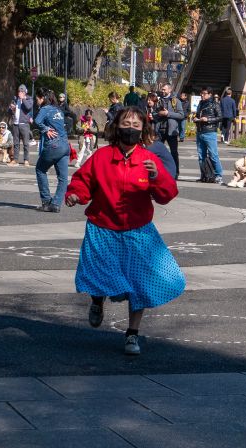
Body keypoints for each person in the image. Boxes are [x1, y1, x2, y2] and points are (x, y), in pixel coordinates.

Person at [65, 106, 185, 356]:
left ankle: (132, 334)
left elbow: (167, 195)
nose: (130, 128)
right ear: (116, 127)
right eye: (125, 123)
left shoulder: (148, 161)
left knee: (138, 285)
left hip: (137, 231)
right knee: (99, 275)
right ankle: (97, 300)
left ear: (143, 131)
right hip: (102, 228)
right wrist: (75, 195)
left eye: (136, 125)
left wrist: (157, 178)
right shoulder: (101, 157)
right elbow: (83, 182)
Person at [33, 88, 70, 213]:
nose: (36, 101)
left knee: (40, 169)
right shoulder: (58, 109)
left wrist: (45, 129)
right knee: (63, 178)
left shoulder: (45, 109)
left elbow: (37, 121)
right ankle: (56, 204)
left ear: (42, 98)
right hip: (65, 144)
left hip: (54, 145)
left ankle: (46, 201)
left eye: (37, 99)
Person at [152, 83, 185, 177]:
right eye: (162, 90)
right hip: (160, 130)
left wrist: (168, 113)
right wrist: (159, 114)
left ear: (170, 90)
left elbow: (181, 115)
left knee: (174, 152)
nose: (162, 91)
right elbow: (154, 114)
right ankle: (157, 172)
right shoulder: (158, 101)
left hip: (171, 130)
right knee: (156, 152)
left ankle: (175, 172)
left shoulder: (176, 101)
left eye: (164, 89)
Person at [194, 87, 223, 183]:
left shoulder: (215, 104)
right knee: (201, 155)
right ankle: (204, 175)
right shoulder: (200, 103)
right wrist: (196, 118)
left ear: (210, 94)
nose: (202, 95)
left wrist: (208, 120)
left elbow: (220, 117)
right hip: (200, 131)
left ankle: (218, 175)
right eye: (201, 93)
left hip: (210, 132)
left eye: (204, 93)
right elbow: (198, 115)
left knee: (213, 155)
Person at [10, 84, 34, 167]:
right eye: (19, 91)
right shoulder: (15, 99)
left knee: (26, 143)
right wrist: (11, 108)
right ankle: (15, 160)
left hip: (24, 124)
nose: (20, 93)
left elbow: (28, 107)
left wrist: (23, 99)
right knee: (16, 143)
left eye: (22, 91)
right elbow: (9, 111)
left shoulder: (29, 99)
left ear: (25, 92)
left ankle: (26, 160)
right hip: (15, 123)